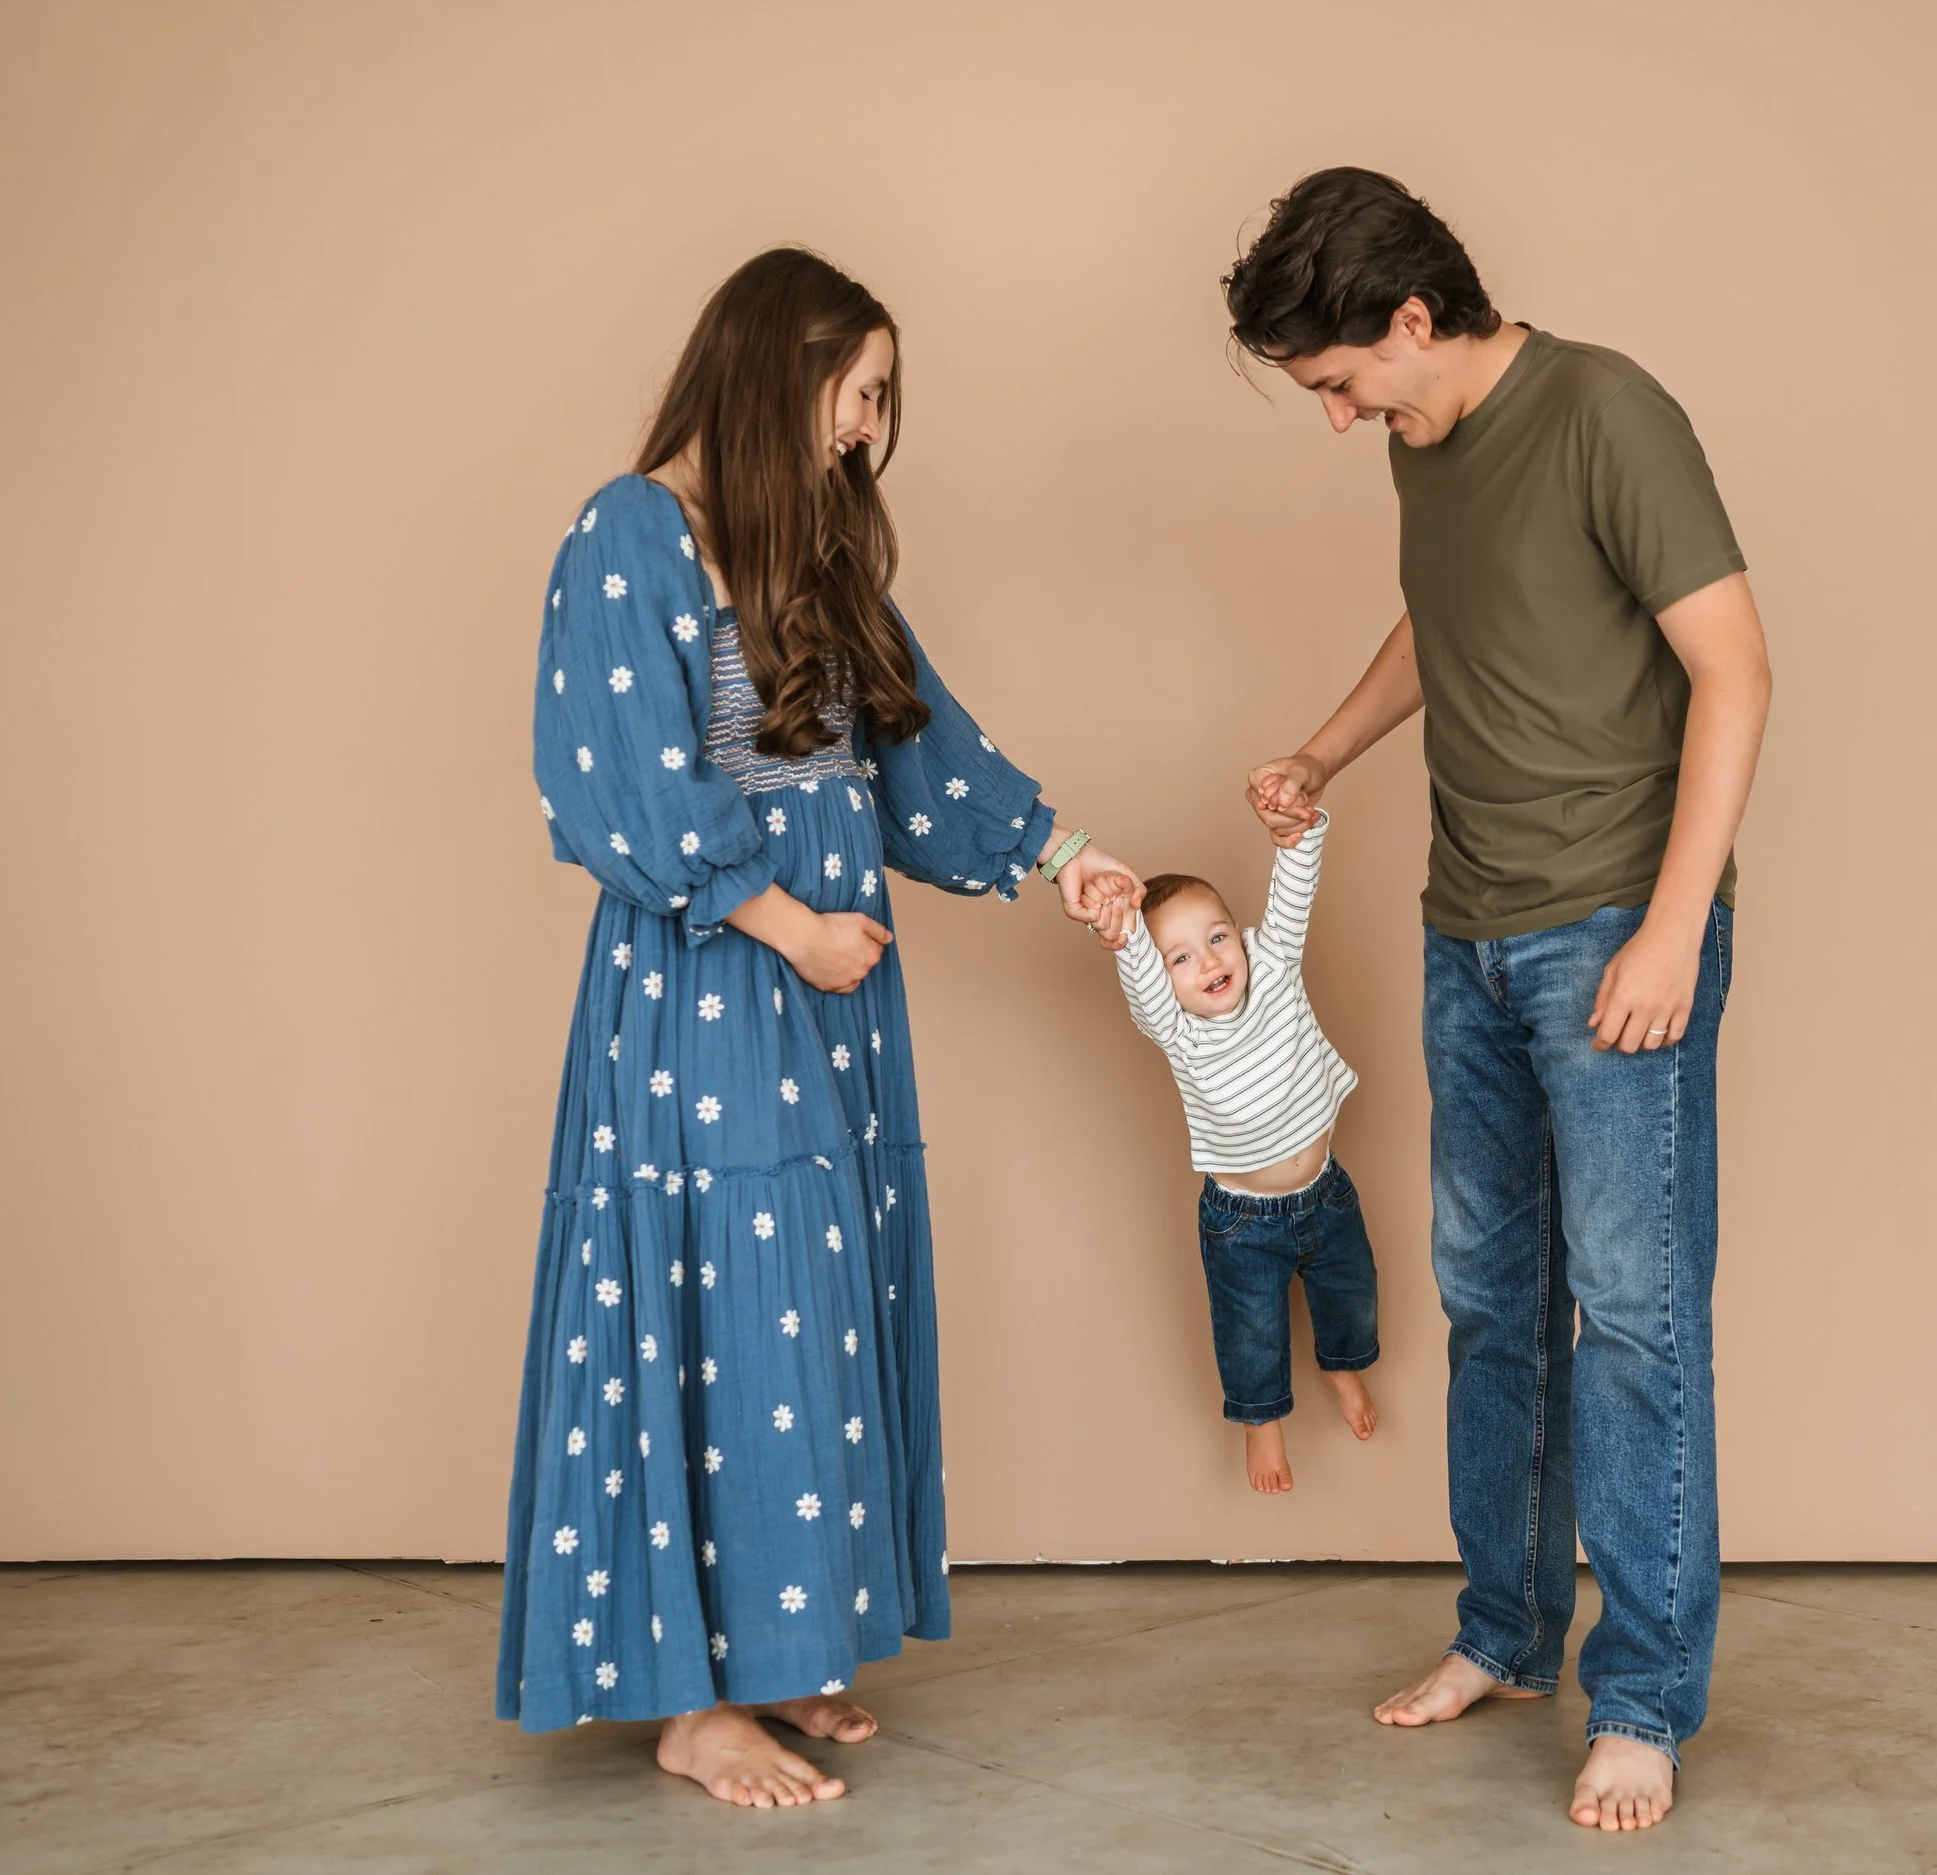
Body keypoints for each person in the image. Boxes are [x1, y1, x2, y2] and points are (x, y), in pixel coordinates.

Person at [498, 248, 1136, 1808]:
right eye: (861, 395)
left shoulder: (813, 554)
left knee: (803, 1313)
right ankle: (691, 1702)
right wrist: (782, 921)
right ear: (779, 375)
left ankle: (780, 1646)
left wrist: (1064, 858)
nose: (868, 431)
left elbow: (920, 746)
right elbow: (617, 779)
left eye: (881, 404)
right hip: (713, 996)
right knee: (721, 1302)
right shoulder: (630, 533)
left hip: (832, 1008)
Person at [1225, 168, 1773, 1833]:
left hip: (1613, 928)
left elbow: (1737, 667)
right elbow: (1445, 622)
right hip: (1466, 931)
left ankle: (1647, 1701)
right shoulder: (1423, 441)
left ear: (1412, 319)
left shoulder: (1608, 412)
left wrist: (1673, 930)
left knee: (1634, 1318)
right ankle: (1507, 1633)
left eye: (1337, 383)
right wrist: (1325, 746)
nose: (1337, 421)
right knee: (1492, 1302)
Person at [1094, 811, 1378, 1494]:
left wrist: (1300, 832)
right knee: (1251, 1331)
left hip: (1326, 1192)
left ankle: (1342, 1366)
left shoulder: (1274, 968)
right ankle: (1262, 1424)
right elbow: (1142, 976)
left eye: (1218, 937)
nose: (1211, 960)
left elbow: (1293, 893)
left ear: (1243, 937)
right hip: (1241, 1223)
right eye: (1181, 957)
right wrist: (1127, 930)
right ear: (1165, 983)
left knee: (1353, 1293)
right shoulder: (1177, 1030)